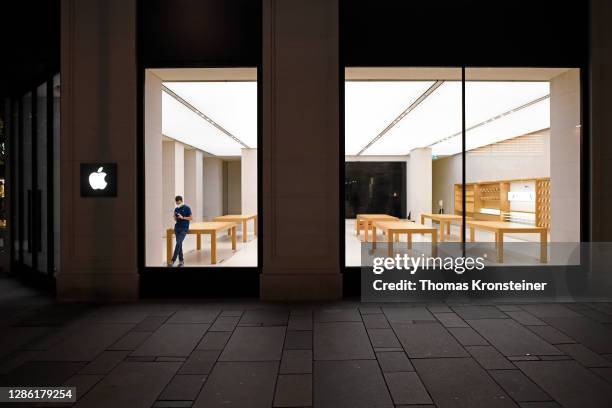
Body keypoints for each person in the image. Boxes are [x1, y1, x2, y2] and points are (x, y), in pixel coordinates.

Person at [169, 195, 192, 267]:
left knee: (178, 242)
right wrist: (175, 217)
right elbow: (175, 220)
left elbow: (191, 218)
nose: (178, 204)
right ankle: (181, 261)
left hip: (184, 228)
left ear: (181, 201)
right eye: (177, 203)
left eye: (179, 203)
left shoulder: (187, 208)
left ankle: (173, 260)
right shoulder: (176, 209)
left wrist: (183, 217)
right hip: (177, 228)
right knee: (179, 244)